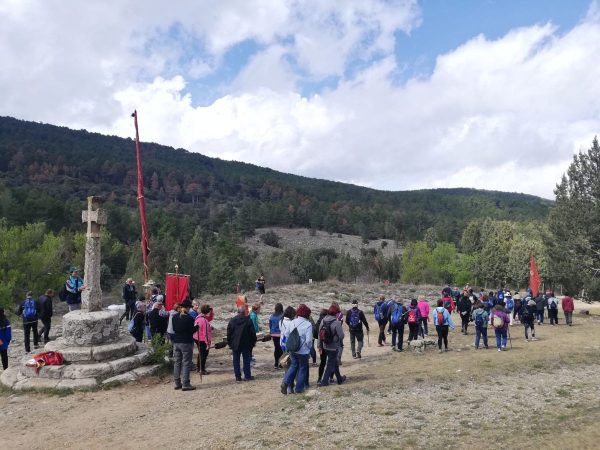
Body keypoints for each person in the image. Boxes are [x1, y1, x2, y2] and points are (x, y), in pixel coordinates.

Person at [281, 304, 313, 394]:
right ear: (307, 314)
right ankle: (299, 389)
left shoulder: (292, 322)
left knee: (293, 366)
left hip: (293, 349)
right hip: (303, 351)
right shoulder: (308, 325)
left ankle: (285, 383)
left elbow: (286, 334)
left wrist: (294, 340)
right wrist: (309, 348)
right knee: (302, 368)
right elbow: (309, 340)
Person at [172, 299, 198, 391]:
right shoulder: (189, 318)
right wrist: (197, 327)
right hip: (186, 342)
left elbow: (174, 328)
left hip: (176, 341)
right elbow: (192, 330)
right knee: (186, 363)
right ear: (187, 308)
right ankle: (186, 383)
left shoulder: (174, 316)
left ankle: (177, 382)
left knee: (177, 362)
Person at [318, 303, 346, 387]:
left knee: (334, 363)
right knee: (330, 364)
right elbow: (341, 336)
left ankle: (340, 379)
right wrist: (337, 339)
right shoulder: (337, 323)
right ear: (336, 313)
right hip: (333, 346)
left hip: (325, 345)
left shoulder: (323, 320)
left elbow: (320, 334)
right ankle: (324, 381)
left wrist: (319, 346)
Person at [227, 306, 257, 382]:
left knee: (236, 360)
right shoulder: (248, 320)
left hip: (235, 343)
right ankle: (247, 376)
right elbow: (253, 333)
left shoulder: (232, 321)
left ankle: (238, 377)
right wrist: (254, 341)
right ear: (244, 312)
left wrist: (230, 343)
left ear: (238, 312)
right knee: (246, 360)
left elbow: (229, 333)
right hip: (246, 343)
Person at [193, 305, 213, 375]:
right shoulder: (204, 321)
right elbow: (206, 334)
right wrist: (207, 344)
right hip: (201, 339)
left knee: (200, 353)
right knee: (204, 354)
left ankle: (199, 368)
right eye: (210, 311)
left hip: (196, 337)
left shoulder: (198, 317)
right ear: (208, 312)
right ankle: (202, 369)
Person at [315, 308, 329, 384]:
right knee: (330, 361)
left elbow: (316, 335)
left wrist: (319, 346)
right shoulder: (328, 321)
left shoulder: (318, 322)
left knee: (322, 362)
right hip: (329, 344)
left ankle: (319, 379)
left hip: (321, 345)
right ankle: (330, 378)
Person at [269, 303, 284, 368]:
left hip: (274, 334)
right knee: (281, 349)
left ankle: (276, 363)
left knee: (276, 348)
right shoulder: (282, 316)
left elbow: (270, 325)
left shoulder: (272, 316)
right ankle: (280, 364)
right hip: (280, 334)